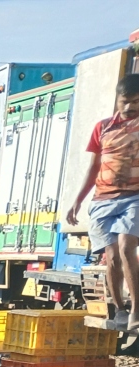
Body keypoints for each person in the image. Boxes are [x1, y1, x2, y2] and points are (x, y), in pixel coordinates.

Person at [66, 73, 139, 341]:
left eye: (136, 102)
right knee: (112, 257)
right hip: (103, 199)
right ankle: (119, 309)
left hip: (134, 197)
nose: (130, 107)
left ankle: (136, 312)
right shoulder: (104, 127)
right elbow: (93, 167)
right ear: (118, 100)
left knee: (126, 245)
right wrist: (78, 199)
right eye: (126, 101)